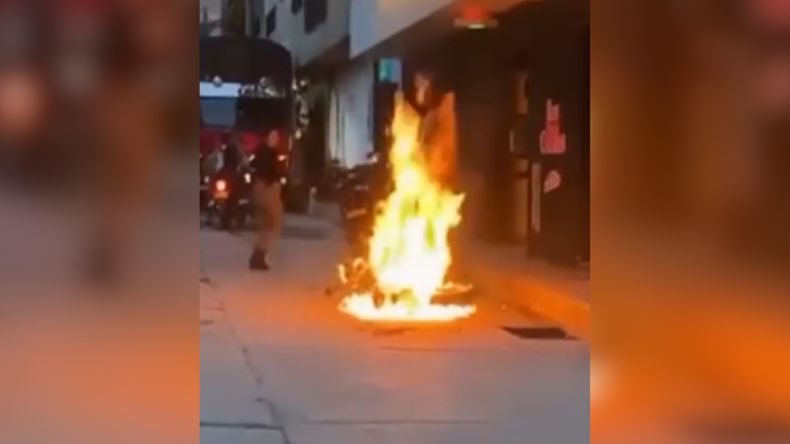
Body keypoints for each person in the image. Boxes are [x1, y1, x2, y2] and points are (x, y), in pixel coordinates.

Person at [248, 130, 284, 270]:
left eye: (277, 136)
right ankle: (259, 256)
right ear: (267, 137)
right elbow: (267, 172)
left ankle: (258, 256)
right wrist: (275, 182)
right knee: (273, 223)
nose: (276, 139)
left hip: (263, 188)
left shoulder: (263, 151)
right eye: (274, 136)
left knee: (268, 225)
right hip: (267, 189)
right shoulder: (267, 152)